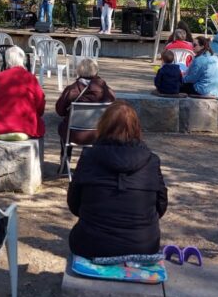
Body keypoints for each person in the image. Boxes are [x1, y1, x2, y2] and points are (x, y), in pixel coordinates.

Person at [67, 101, 168, 261]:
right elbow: (161, 206)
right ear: (137, 129)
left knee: (78, 235)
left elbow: (74, 204)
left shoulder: (88, 157)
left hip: (91, 245)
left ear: (102, 126)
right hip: (144, 246)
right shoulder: (152, 161)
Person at [0, 46, 45, 140]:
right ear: (22, 59)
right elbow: (40, 103)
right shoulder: (30, 78)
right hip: (24, 126)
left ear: (7, 60)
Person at [55, 58, 116, 153]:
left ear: (79, 71)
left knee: (64, 127)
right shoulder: (107, 91)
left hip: (74, 134)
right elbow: (112, 108)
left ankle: (65, 159)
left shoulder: (71, 89)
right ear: (96, 71)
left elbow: (60, 111)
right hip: (99, 134)